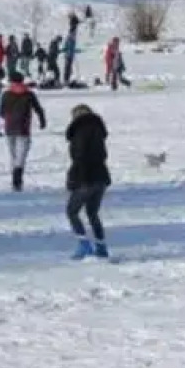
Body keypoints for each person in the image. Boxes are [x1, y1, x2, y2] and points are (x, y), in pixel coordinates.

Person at [65, 103, 111, 259]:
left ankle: (84, 244)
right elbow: (103, 155)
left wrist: (76, 180)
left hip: (86, 178)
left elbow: (80, 156)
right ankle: (101, 246)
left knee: (72, 211)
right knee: (92, 213)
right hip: (101, 177)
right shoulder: (98, 131)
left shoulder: (79, 131)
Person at [0, 71, 47, 191]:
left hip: (9, 128)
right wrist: (42, 121)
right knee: (21, 155)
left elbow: (1, 112)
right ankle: (17, 178)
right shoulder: (29, 94)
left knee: (13, 154)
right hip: (23, 128)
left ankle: (15, 177)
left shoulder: (6, 94)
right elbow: (38, 109)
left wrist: (7, 116)